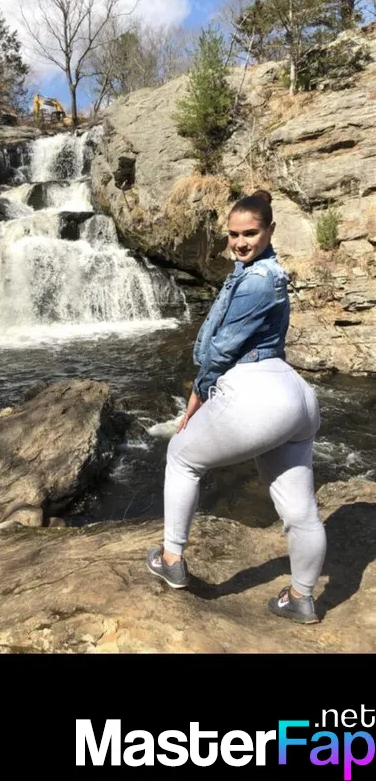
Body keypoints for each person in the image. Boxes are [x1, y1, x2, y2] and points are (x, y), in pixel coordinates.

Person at [146, 189, 327, 625]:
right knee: (299, 509)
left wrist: (198, 393)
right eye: (233, 234)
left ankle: (171, 558)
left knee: (181, 456)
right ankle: (301, 598)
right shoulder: (257, 270)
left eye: (250, 233)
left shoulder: (259, 280)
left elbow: (223, 349)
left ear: (271, 230)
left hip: (259, 393)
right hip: (296, 396)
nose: (240, 242)